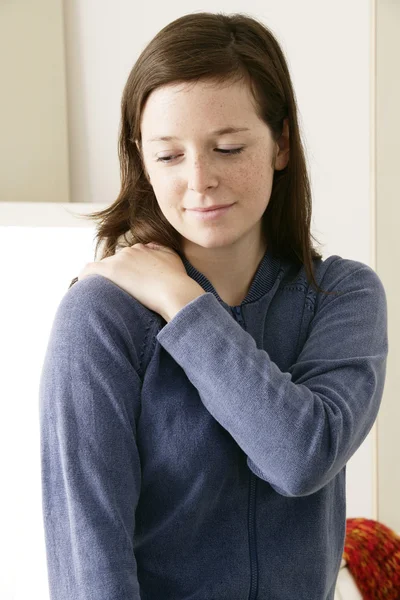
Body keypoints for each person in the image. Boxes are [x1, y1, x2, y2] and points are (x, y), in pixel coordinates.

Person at [39, 11, 388, 600]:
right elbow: (88, 561)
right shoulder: (100, 317)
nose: (199, 180)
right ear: (141, 159)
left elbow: (298, 457)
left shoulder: (342, 297)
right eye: (169, 155)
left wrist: (182, 300)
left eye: (228, 147)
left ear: (281, 142)